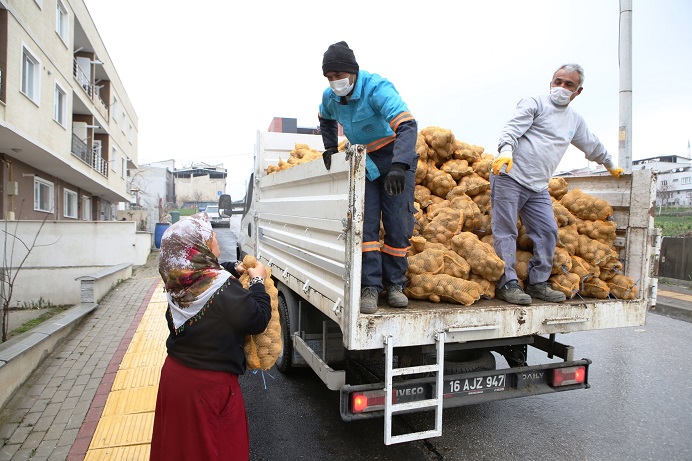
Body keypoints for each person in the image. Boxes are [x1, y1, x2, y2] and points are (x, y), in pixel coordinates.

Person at [491, 63, 624, 306]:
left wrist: (609, 164)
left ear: (578, 92)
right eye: (558, 82)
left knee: (547, 232)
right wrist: (506, 151)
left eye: (568, 84)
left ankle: (537, 282)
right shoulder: (534, 103)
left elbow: (591, 144)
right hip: (510, 175)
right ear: (551, 83)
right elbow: (512, 127)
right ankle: (507, 284)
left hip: (538, 186)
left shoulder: (574, 120)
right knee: (506, 231)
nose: (561, 87)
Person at [151, 213, 271, 461]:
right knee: (216, 450)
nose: (215, 236)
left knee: (180, 450)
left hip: (176, 380)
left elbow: (208, 274)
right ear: (198, 247)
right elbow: (257, 319)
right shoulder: (222, 288)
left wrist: (233, 267)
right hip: (209, 391)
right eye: (210, 235)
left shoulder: (177, 277)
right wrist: (258, 280)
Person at [318, 41, 418, 314]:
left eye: (339, 75)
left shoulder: (376, 88)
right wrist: (329, 146)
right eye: (329, 77)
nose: (335, 82)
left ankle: (396, 285)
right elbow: (324, 117)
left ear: (352, 71)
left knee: (398, 222)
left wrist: (399, 166)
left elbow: (408, 125)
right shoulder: (330, 97)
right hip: (366, 163)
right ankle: (370, 287)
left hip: (395, 156)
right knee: (367, 225)